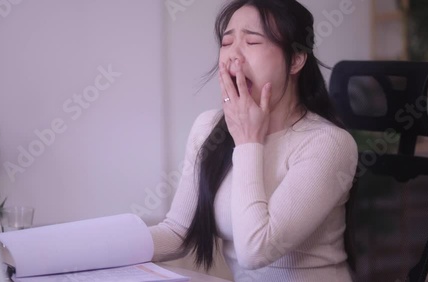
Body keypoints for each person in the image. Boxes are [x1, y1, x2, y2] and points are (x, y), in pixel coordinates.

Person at [149, 0, 358, 281]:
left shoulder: (328, 144)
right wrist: (90, 251)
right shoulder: (208, 127)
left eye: (252, 42)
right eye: (226, 42)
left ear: (296, 59)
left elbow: (255, 252)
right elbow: (177, 232)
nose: (233, 56)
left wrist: (248, 141)